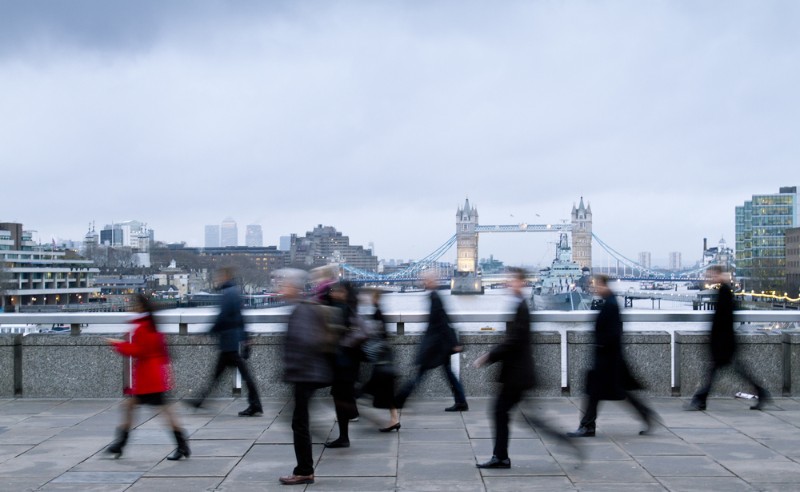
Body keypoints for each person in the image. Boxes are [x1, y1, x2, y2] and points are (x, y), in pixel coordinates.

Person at [567, 274, 656, 438]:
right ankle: (646, 415)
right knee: (617, 393)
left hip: (607, 359)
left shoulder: (610, 304)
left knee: (595, 393)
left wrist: (601, 346)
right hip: (610, 358)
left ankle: (587, 426)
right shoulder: (610, 301)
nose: (595, 289)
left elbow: (613, 333)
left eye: (596, 285)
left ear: (604, 285)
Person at [105, 294, 189, 461]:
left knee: (158, 411)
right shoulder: (152, 325)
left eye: (134, 305)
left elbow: (139, 351)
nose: (132, 307)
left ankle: (121, 443)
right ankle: (120, 444)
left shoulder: (143, 327)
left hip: (148, 379)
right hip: (153, 376)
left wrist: (117, 344)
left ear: (141, 307)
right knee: (148, 409)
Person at [277, 268, 334, 486]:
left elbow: (306, 343)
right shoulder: (304, 308)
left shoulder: (302, 311)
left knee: (299, 423)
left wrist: (292, 369)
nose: (281, 288)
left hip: (305, 374)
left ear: (294, 287)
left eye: (284, 284)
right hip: (307, 373)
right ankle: (305, 468)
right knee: (299, 421)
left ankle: (304, 471)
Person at [473, 268, 535, 468]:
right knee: (504, 413)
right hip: (517, 373)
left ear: (522, 283)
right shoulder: (520, 305)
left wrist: (489, 355)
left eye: (513, 280)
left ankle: (501, 457)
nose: (509, 282)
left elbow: (515, 341)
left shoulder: (522, 307)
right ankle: (500, 456)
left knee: (500, 412)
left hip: (517, 374)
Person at [686, 265, 771, 411]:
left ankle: (700, 399)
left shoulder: (724, 291)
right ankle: (701, 399)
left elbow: (723, 319)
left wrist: (715, 338)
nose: (710, 278)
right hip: (725, 341)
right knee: (728, 372)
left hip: (724, 342)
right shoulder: (724, 290)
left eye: (712, 275)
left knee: (716, 372)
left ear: (719, 275)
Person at [186, 267, 262, 416]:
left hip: (229, 342)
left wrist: (204, 333)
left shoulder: (228, 294)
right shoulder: (234, 292)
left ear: (225, 276)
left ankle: (255, 404)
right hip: (233, 340)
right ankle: (200, 400)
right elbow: (240, 317)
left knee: (233, 375)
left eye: (219, 276)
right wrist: (246, 337)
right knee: (222, 374)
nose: (217, 279)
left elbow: (222, 317)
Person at [395, 272, 468, 412]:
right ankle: (461, 402)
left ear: (433, 282)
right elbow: (444, 320)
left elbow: (442, 323)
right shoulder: (434, 297)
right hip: (439, 345)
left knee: (419, 374)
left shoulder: (435, 298)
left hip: (435, 346)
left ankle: (400, 399)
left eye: (428, 280)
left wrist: (453, 343)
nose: (425, 282)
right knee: (447, 374)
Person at [324, 281, 368, 449]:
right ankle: (345, 433)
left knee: (340, 397)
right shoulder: (350, 308)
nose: (333, 292)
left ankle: (344, 436)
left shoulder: (340, 309)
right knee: (342, 396)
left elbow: (332, 334)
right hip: (349, 362)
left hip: (342, 362)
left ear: (345, 293)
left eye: (338, 291)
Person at [361, 289, 400, 432]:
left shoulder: (376, 312)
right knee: (386, 391)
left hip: (380, 360)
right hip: (385, 358)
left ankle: (350, 413)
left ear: (374, 297)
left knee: (366, 390)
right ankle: (394, 419)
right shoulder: (379, 311)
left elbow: (375, 335)